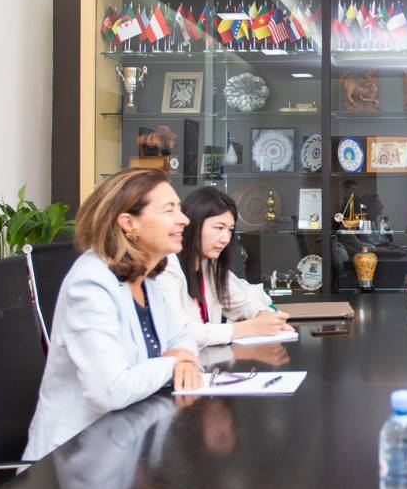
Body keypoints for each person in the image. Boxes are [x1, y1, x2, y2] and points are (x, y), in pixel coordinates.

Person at [23, 168, 202, 461]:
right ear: (128, 223)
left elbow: (182, 337)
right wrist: (174, 363)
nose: (184, 219)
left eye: (179, 209)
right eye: (169, 210)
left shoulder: (147, 280)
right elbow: (111, 390)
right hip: (76, 458)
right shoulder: (90, 282)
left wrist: (184, 356)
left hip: (129, 440)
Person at [155, 186, 292, 349]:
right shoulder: (166, 266)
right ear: (193, 224)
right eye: (219, 228)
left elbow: (240, 303)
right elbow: (179, 332)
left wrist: (266, 317)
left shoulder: (210, 264)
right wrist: (251, 327)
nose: (226, 239)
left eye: (230, 230)